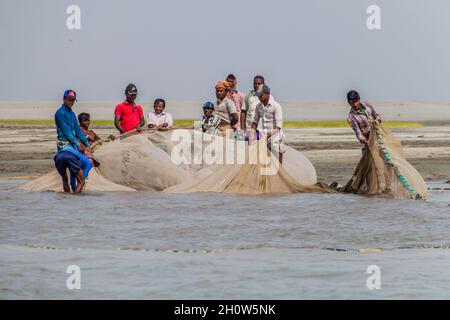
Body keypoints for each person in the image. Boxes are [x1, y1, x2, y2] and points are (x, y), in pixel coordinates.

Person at [250, 84, 285, 164]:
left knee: (276, 160)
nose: (259, 98)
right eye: (258, 96)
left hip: (275, 135)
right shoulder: (258, 106)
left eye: (260, 95)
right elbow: (255, 121)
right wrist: (252, 133)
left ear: (267, 94)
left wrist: (268, 135)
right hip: (264, 135)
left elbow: (279, 126)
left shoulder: (276, 106)